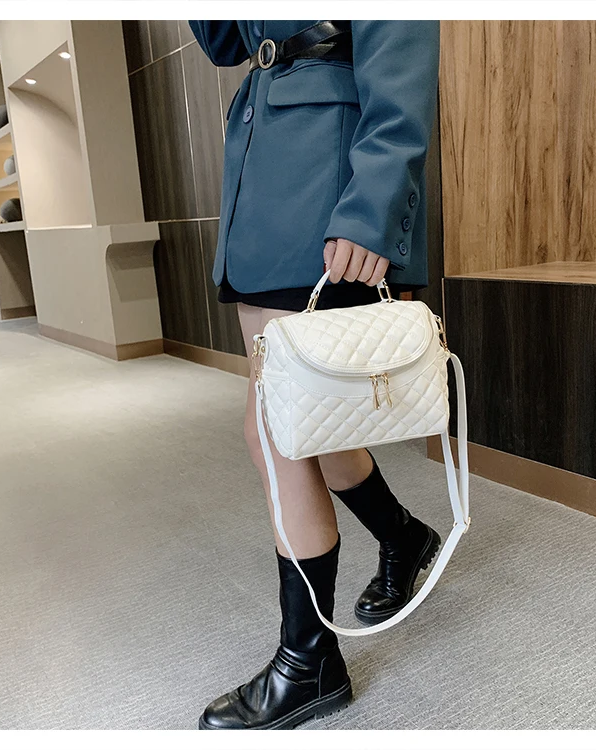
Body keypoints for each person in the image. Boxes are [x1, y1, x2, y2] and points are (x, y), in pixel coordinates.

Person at [188, 20, 441, 730]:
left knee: (273, 423)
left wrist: (373, 205)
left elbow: (403, 41)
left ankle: (309, 663)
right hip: (267, 168)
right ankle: (401, 537)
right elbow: (223, 41)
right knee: (305, 416)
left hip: (327, 176)